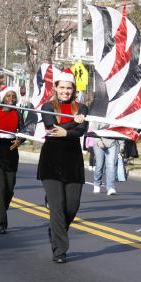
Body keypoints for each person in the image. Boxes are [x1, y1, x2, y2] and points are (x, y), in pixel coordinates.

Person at [37, 68, 88, 263]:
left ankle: (56, 230)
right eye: (62, 87)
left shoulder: (82, 108)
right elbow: (50, 127)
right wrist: (72, 124)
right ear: (56, 88)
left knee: (72, 207)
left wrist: (67, 130)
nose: (66, 91)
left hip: (72, 160)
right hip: (51, 159)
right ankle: (60, 250)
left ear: (74, 89)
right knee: (57, 207)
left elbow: (82, 130)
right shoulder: (48, 106)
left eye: (69, 88)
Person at [0, 86, 25, 234]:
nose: (11, 99)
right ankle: (1, 223)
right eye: (8, 96)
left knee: (9, 189)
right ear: (3, 98)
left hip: (11, 150)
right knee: (0, 189)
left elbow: (23, 131)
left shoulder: (18, 114)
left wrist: (19, 141)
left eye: (13, 96)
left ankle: (2, 208)